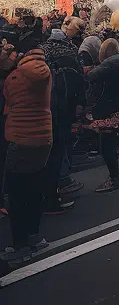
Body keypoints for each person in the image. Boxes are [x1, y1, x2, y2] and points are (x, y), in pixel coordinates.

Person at [1, 44, 52, 263]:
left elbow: (8, 102)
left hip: (20, 138)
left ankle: (19, 243)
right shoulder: (46, 71)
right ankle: (34, 236)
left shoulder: (15, 77)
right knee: (33, 188)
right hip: (43, 137)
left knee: (16, 193)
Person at [41, 18, 84, 213]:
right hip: (64, 106)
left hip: (46, 107)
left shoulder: (44, 50)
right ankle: (54, 192)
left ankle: (48, 192)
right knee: (58, 149)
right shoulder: (71, 51)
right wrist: (81, 104)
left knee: (49, 152)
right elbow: (80, 80)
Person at [85, 38, 119, 192]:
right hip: (116, 105)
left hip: (107, 107)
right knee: (110, 142)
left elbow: (91, 76)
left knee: (107, 144)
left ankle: (114, 178)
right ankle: (114, 173)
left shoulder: (111, 63)